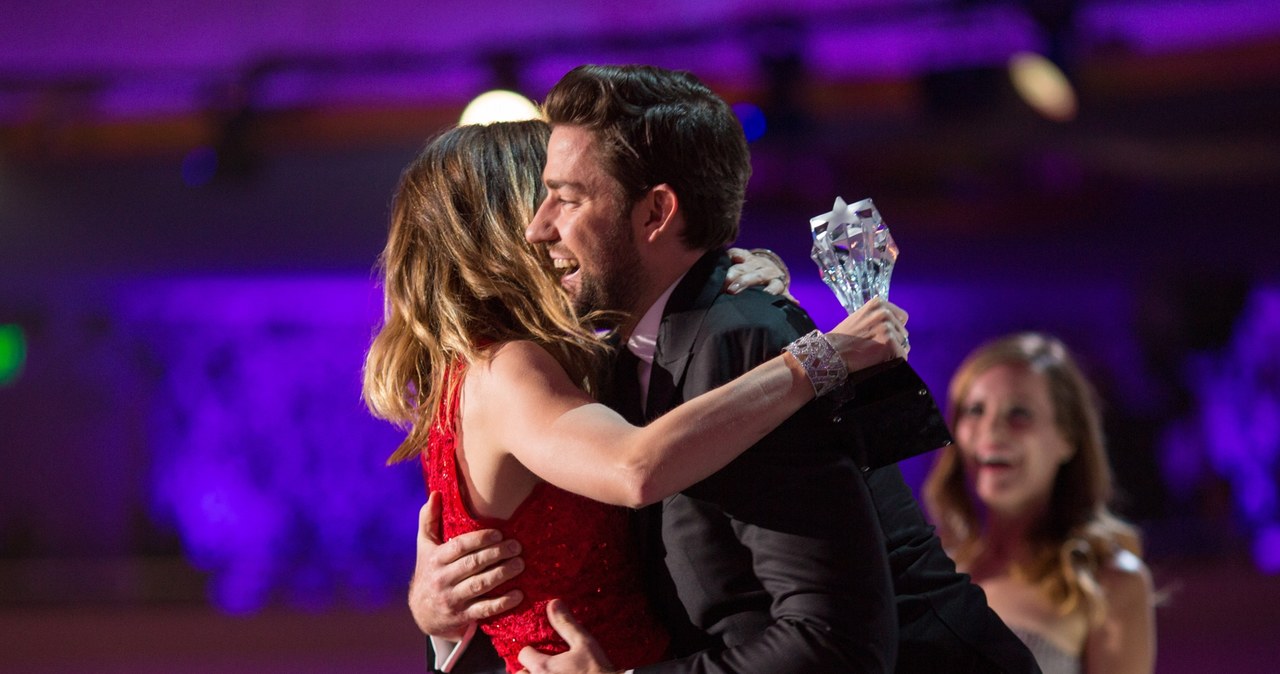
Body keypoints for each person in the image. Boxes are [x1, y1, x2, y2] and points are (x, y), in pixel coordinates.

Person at [413, 64, 1041, 674]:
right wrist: (442, 614)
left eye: (566, 199)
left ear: (656, 213)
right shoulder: (611, 358)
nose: (536, 229)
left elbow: (837, 644)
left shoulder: (737, 338)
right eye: (541, 197)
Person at [362, 119, 911, 672]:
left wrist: (720, 273)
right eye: (554, 197)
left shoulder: (517, 366)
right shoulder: (507, 369)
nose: (556, 223)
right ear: (509, 230)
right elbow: (636, 466)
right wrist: (818, 358)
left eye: (568, 200)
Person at [923, 333, 1156, 674]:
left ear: (1068, 438)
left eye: (1019, 413)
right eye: (975, 410)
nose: (992, 430)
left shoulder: (1111, 582)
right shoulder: (926, 568)